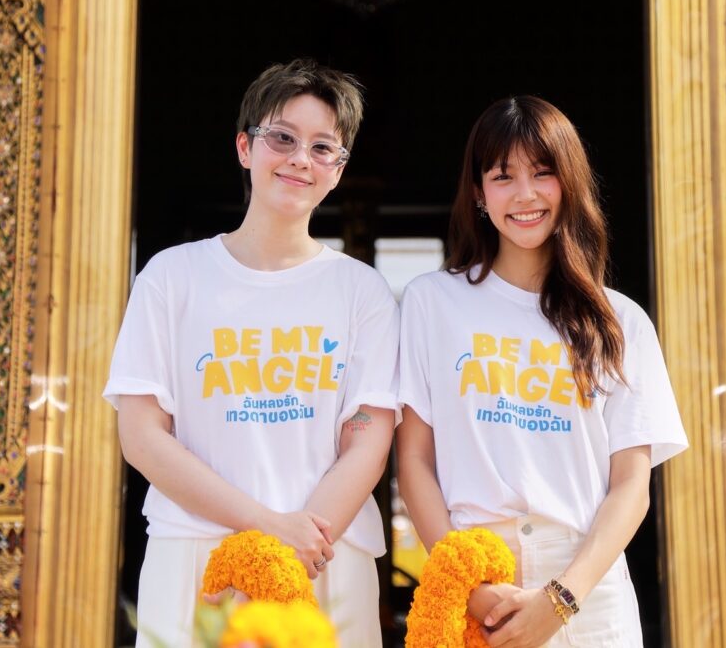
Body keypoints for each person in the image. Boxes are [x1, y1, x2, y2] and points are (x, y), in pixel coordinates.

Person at [104, 58, 398, 647]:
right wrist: (268, 530)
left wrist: (291, 551)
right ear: (245, 147)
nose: (300, 159)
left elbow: (367, 439)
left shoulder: (361, 290)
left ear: (338, 170)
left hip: (325, 555)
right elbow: (141, 436)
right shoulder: (172, 277)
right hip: (196, 556)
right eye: (282, 138)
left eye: (322, 147)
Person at [396, 96, 688, 647]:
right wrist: (469, 585)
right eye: (503, 176)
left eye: (542, 172)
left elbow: (632, 486)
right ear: (479, 193)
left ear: (568, 182)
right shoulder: (431, 303)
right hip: (474, 576)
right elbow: (413, 461)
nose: (525, 194)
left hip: (588, 590)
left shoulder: (620, 320)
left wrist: (562, 598)